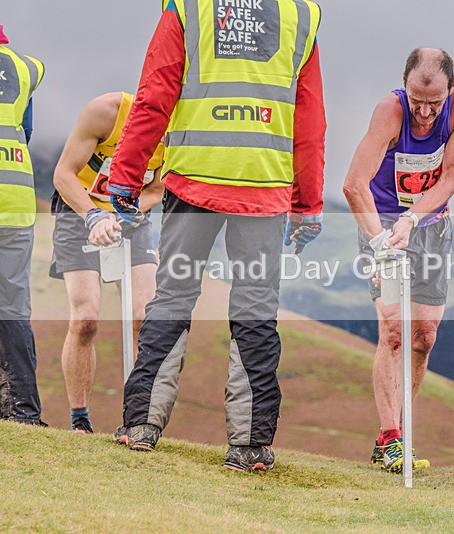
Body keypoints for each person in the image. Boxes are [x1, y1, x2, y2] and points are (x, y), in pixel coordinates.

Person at [105, 0, 326, 472]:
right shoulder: (300, 15)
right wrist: (306, 202)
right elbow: (309, 122)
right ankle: (248, 445)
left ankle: (142, 424)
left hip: (194, 181)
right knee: (256, 311)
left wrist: (125, 175)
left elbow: (155, 94)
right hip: (264, 188)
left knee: (172, 300)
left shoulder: (188, 8)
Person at [342, 48, 454, 472]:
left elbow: (452, 176)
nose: (423, 113)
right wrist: (381, 240)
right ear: (404, 86)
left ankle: (397, 431)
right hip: (381, 222)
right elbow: (353, 185)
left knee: (423, 336)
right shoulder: (390, 111)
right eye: (416, 100)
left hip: (430, 225)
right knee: (394, 331)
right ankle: (391, 438)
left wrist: (414, 217)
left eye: (433, 103)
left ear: (450, 91)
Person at [51, 91, 165, 434]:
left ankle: (137, 419)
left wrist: (119, 216)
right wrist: (92, 216)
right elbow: (63, 174)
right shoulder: (106, 112)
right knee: (86, 318)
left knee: (144, 316)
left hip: (128, 218)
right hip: (78, 211)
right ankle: (80, 419)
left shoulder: (179, 132)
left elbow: (157, 190)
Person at [0, 24, 46, 426]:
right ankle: (24, 411)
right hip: (14, 199)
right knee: (13, 306)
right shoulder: (22, 67)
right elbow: (27, 131)